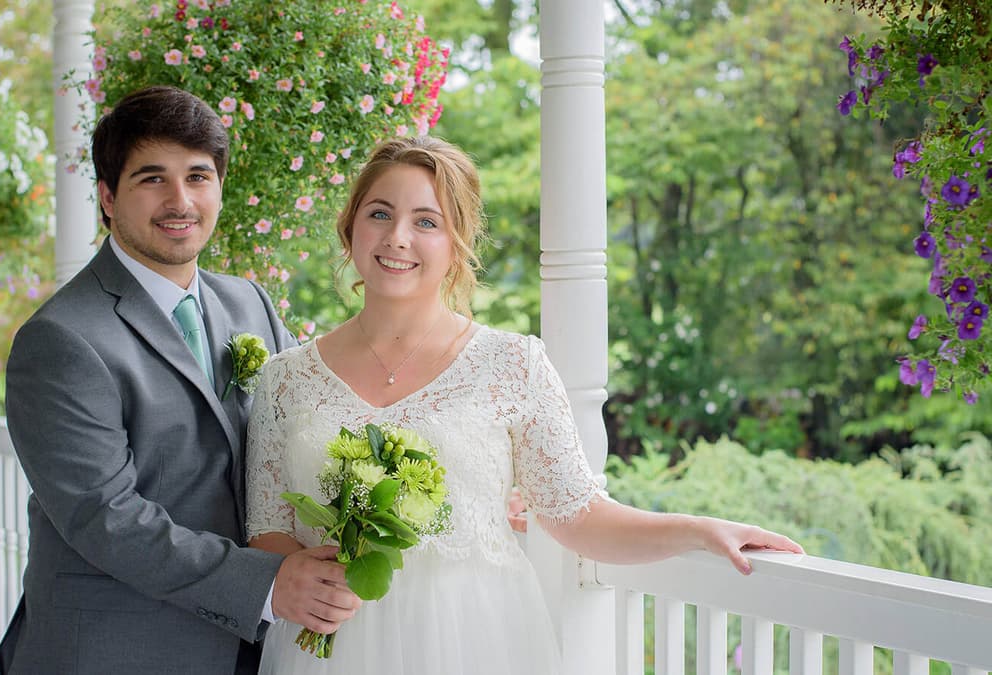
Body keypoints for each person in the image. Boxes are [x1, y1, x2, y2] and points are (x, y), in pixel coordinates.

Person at [244, 135, 804, 675]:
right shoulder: (285, 378)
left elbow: (580, 516)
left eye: (427, 221)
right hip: (332, 646)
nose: (398, 237)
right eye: (380, 214)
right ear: (350, 227)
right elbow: (267, 531)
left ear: (457, 244)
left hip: (475, 643)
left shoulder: (513, 365)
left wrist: (699, 529)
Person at [0, 85, 361, 675]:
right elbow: (106, 516)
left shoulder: (249, 304)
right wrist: (270, 584)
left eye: (198, 176)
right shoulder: (60, 340)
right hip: (116, 651)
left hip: (250, 648)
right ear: (108, 197)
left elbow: (312, 424)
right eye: (152, 179)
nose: (180, 200)